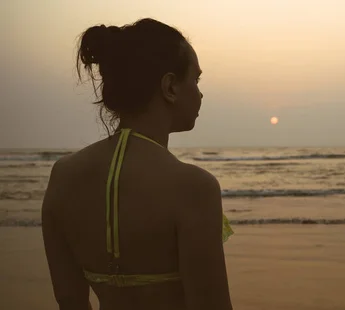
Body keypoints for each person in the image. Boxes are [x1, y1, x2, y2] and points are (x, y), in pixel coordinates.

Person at [41, 18, 234, 310]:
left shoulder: (63, 175)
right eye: (195, 80)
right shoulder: (194, 187)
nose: (200, 93)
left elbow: (69, 299)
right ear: (170, 87)